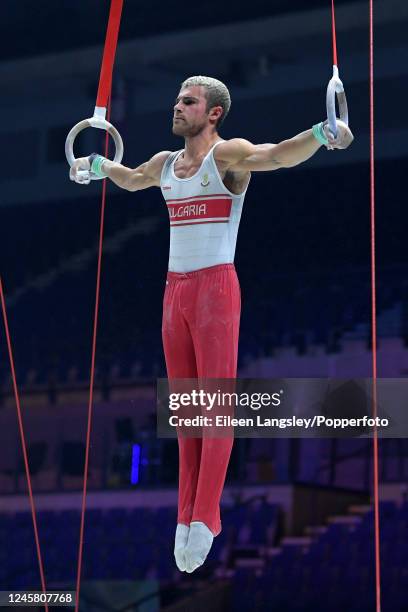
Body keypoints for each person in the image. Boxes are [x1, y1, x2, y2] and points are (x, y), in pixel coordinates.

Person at [70, 75, 354, 573]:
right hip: (173, 292)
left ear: (214, 113)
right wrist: (94, 165)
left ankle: (206, 515)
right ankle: (184, 515)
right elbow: (132, 177)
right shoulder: (164, 165)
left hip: (216, 289)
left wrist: (321, 133)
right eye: (177, 99)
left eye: (188, 101)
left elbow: (278, 155)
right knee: (184, 412)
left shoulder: (227, 156)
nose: (176, 107)